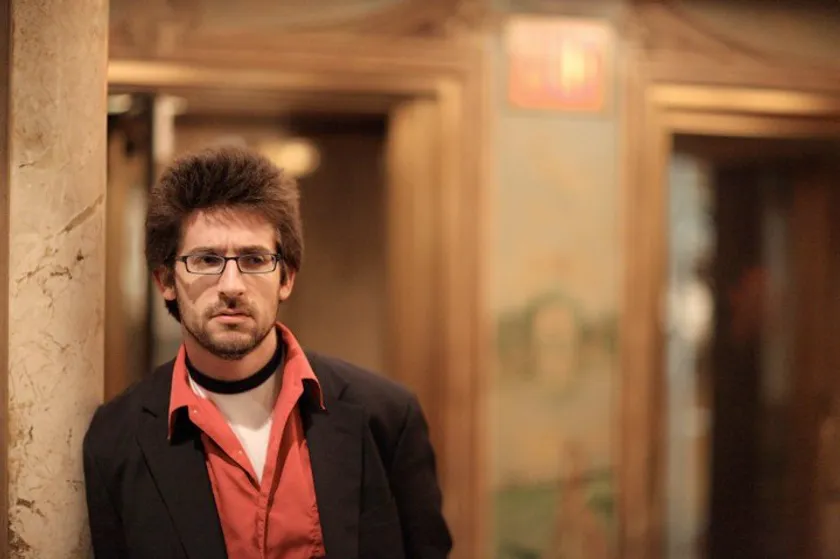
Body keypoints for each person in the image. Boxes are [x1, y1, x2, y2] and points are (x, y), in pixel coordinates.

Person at [82, 146, 452, 559]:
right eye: (206, 260)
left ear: (286, 277)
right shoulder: (115, 439)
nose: (232, 286)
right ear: (166, 280)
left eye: (255, 259)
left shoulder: (387, 416)